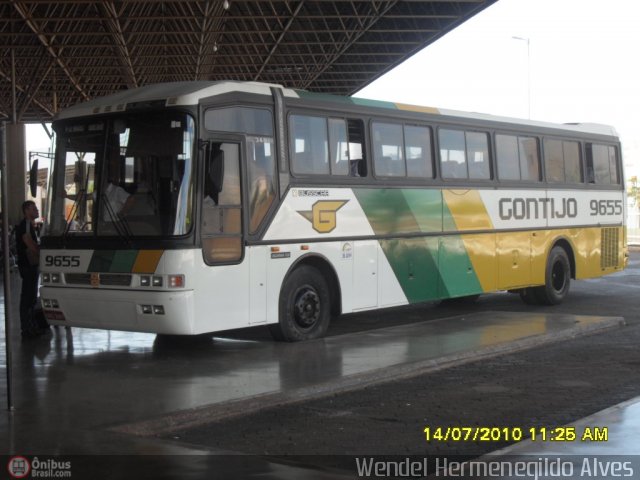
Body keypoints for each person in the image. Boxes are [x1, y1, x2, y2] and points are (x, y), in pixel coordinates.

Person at [15, 200, 47, 338]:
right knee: (27, 297)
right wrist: (43, 255)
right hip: (28, 266)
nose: (37, 211)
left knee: (31, 297)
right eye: (34, 208)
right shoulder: (25, 226)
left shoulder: (30, 225)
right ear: (27, 210)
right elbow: (30, 244)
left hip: (30, 265)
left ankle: (30, 326)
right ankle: (27, 328)